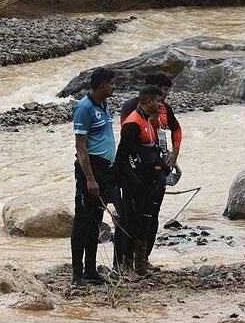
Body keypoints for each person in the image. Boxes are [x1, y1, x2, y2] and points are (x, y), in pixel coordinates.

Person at [120, 72, 183, 265]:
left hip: (158, 170)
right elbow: (127, 147)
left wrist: (174, 153)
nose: (165, 99)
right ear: (150, 99)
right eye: (163, 92)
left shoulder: (162, 109)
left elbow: (176, 129)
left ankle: (143, 259)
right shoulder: (134, 111)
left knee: (152, 215)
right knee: (132, 218)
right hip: (138, 173)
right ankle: (123, 262)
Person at [70, 67, 117, 287]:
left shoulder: (104, 105)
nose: (114, 87)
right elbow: (81, 148)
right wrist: (89, 179)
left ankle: (91, 270)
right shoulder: (84, 108)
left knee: (96, 223)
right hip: (90, 169)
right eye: (111, 83)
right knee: (82, 222)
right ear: (101, 86)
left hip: (105, 169)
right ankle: (77, 275)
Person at [115, 85, 167, 276]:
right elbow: (121, 158)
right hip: (134, 184)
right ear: (148, 102)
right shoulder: (133, 124)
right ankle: (126, 266)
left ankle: (141, 264)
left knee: (146, 222)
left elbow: (152, 151)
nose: (161, 104)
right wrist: (132, 183)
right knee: (131, 223)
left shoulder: (148, 121)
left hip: (148, 183)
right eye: (158, 101)